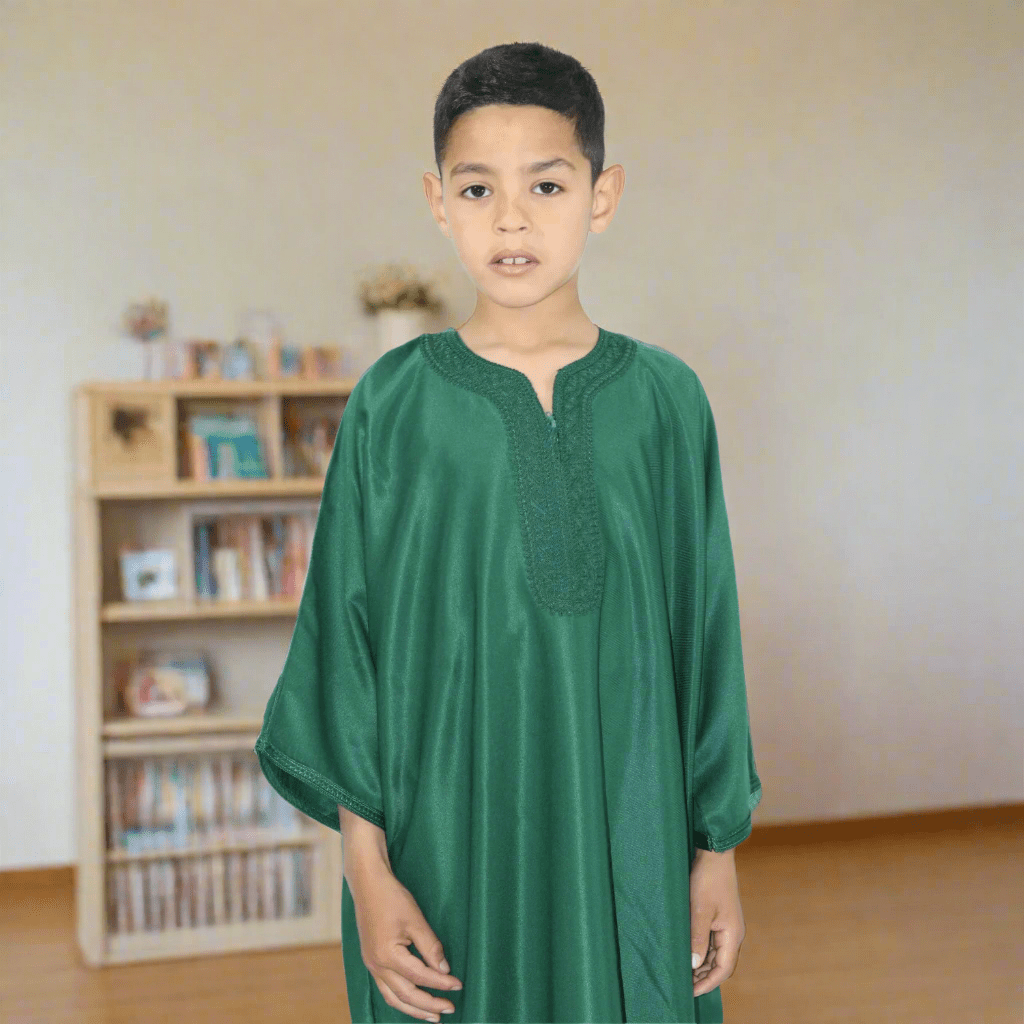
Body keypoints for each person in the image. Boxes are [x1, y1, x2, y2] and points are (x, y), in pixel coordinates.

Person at [254, 40, 763, 1024]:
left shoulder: (666, 401)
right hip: (443, 843)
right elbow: (345, 649)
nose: (512, 218)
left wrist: (717, 852)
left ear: (602, 196)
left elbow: (707, 638)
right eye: (478, 188)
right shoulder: (392, 404)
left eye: (547, 184)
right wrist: (366, 871)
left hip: (635, 832)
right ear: (438, 202)